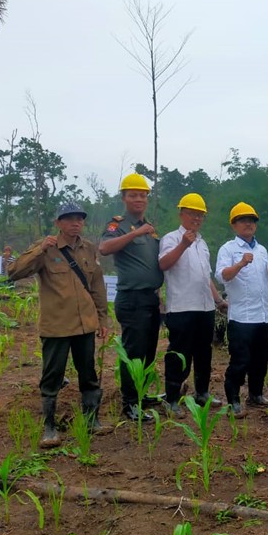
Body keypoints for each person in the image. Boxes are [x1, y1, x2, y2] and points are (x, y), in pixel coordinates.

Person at [8, 202, 109, 448]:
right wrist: (39, 250)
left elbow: (97, 286)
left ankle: (91, 420)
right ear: (58, 223)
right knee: (52, 377)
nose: (76, 223)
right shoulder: (46, 249)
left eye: (80, 218)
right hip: (56, 327)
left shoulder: (89, 249)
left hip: (85, 325)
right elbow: (13, 272)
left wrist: (102, 319)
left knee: (89, 375)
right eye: (69, 218)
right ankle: (49, 427)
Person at [99, 172, 163, 421]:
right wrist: (135, 234)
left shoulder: (151, 231)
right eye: (133, 195)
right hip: (131, 299)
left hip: (150, 298)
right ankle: (129, 403)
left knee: (148, 351)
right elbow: (104, 248)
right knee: (133, 352)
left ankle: (141, 394)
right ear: (124, 198)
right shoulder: (118, 225)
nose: (139, 199)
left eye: (143, 195)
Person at [158, 193, 227, 417]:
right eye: (192, 214)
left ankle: (202, 392)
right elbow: (164, 264)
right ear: (181, 214)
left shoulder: (202, 242)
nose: (196, 219)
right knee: (179, 354)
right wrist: (183, 245)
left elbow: (206, 277)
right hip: (181, 307)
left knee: (203, 352)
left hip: (204, 307)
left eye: (200, 215)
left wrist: (218, 300)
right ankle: (172, 398)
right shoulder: (171, 238)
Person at [216, 202, 268, 417]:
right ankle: (233, 400)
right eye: (243, 220)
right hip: (241, 318)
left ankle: (256, 395)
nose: (248, 224)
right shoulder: (228, 249)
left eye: (252, 220)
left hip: (262, 317)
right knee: (240, 361)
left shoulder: (261, 250)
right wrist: (239, 264)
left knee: (261, 358)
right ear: (234, 225)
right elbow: (222, 276)